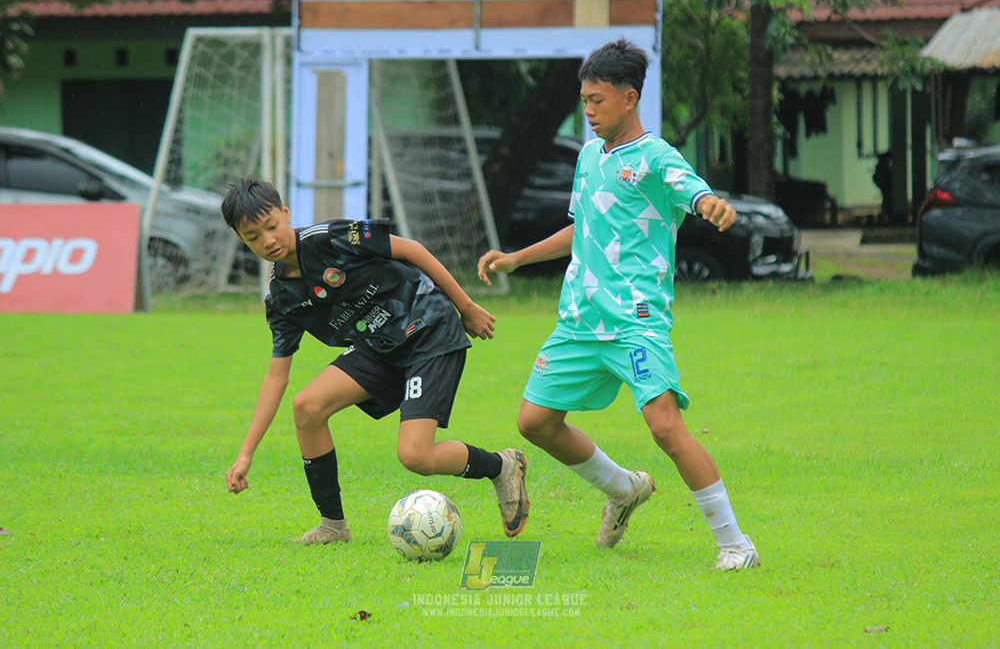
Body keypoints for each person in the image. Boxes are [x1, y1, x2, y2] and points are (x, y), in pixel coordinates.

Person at [477, 39, 759, 570]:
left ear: (629, 98)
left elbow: (693, 191)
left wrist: (710, 205)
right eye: (584, 100)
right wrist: (517, 258)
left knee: (665, 428)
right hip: (579, 320)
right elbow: (582, 226)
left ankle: (736, 544)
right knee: (534, 421)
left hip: (635, 321)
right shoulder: (588, 156)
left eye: (598, 100)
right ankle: (624, 488)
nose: (588, 111)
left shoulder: (656, 158)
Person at [221, 178, 529, 544]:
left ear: (286, 213)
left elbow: (411, 250)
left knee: (416, 456)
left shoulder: (331, 236)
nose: (268, 240)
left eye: (271, 226)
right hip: (378, 344)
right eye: (253, 236)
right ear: (242, 240)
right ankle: (332, 526)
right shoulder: (282, 298)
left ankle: (502, 465)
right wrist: (245, 455)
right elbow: (276, 377)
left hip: (427, 326)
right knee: (307, 407)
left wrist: (465, 306)